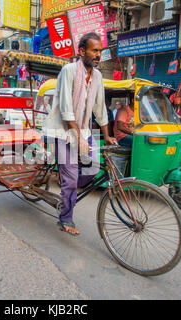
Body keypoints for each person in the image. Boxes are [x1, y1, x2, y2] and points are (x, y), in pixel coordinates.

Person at [42, 32, 117, 236]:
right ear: (82, 51)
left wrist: (107, 134)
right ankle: (65, 216)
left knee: (93, 170)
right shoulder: (68, 71)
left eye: (100, 51)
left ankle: (69, 184)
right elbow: (66, 110)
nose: (98, 55)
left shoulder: (98, 76)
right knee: (71, 178)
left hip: (83, 129)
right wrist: (80, 138)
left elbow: (100, 108)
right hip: (62, 131)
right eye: (94, 50)